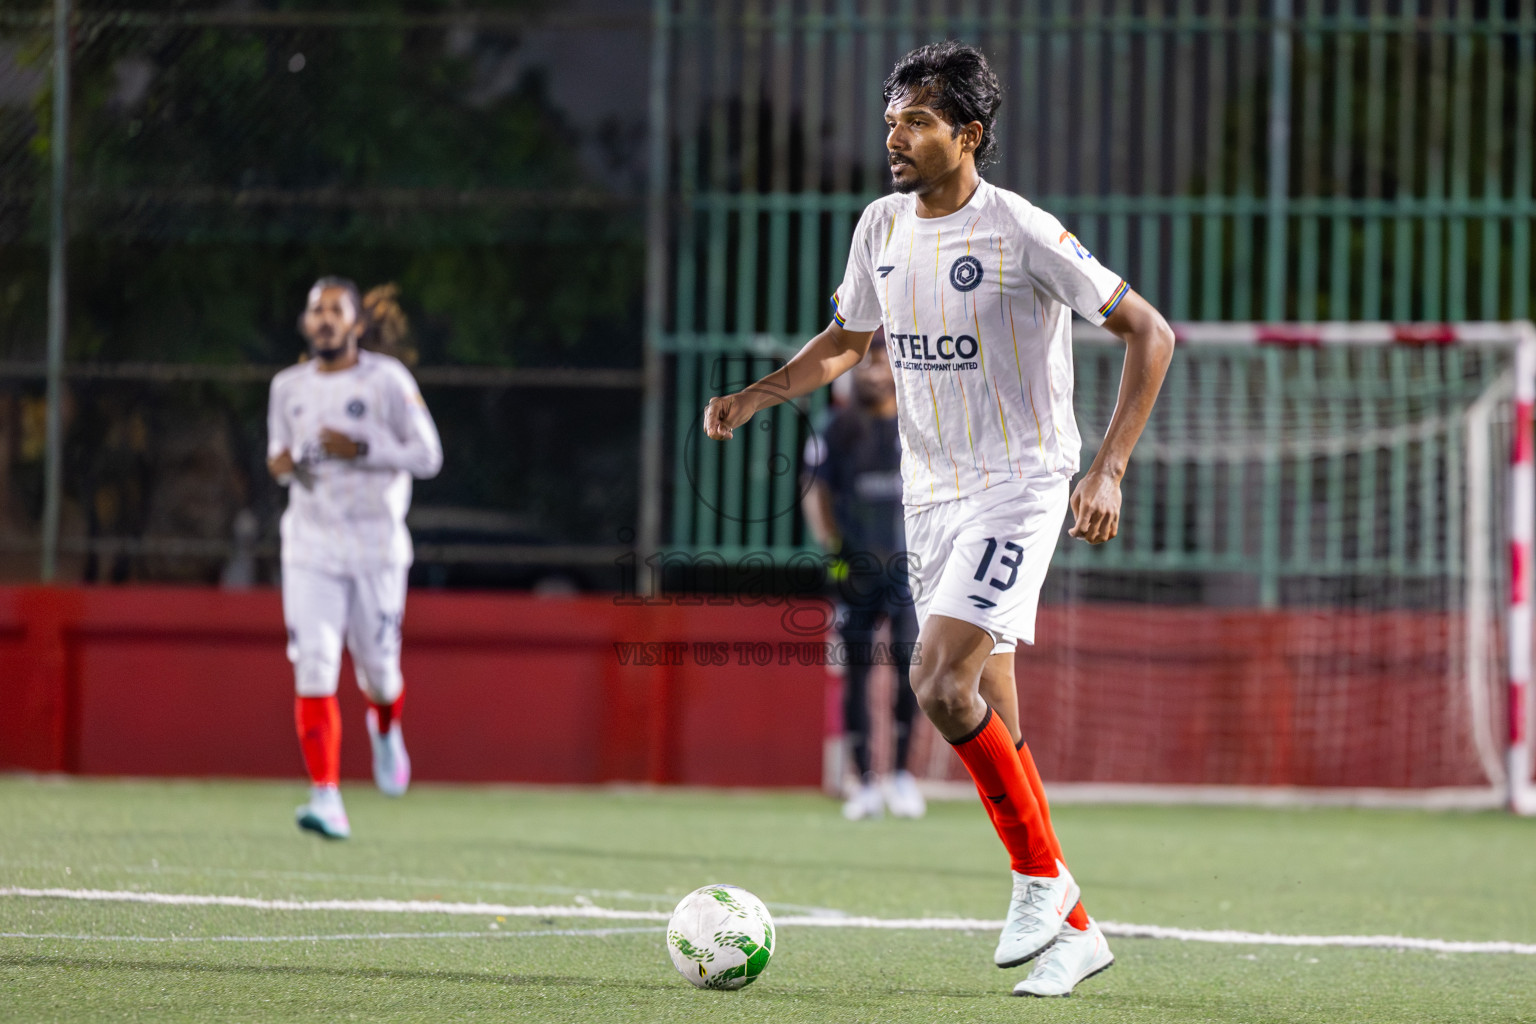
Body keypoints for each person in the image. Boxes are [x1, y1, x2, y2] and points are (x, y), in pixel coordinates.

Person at [704, 41, 1173, 997]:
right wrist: (760, 395)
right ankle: (1073, 925)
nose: (895, 136)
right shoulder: (879, 225)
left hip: (1021, 484)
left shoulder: (1022, 231)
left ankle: (1041, 880)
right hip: (933, 498)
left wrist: (1109, 468)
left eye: (916, 120)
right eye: (891, 120)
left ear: (970, 135)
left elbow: (1149, 332)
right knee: (992, 707)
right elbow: (848, 339)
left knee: (934, 679)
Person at [267, 277, 443, 840]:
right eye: (315, 310)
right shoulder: (287, 387)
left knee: (380, 675)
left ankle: (385, 725)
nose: (324, 319)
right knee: (314, 662)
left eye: (335, 310)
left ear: (356, 323)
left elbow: (428, 456)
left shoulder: (386, 379)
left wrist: (362, 449)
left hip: (376, 548)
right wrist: (287, 463)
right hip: (311, 546)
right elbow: (276, 455)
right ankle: (326, 796)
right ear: (305, 322)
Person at [801, 332, 925, 821]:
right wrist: (834, 549)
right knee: (856, 671)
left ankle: (901, 776)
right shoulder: (837, 429)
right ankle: (864, 782)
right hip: (854, 569)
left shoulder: (921, 426)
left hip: (910, 571)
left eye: (881, 363)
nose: (873, 372)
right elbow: (815, 492)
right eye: (865, 364)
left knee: (912, 671)